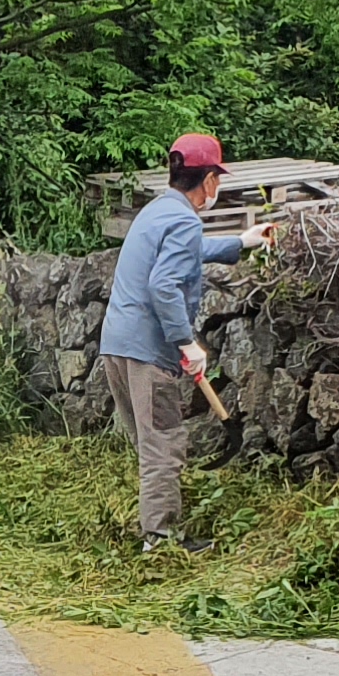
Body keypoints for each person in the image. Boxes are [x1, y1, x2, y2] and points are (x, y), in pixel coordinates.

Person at [99, 130, 272, 552]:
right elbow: (164, 283)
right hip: (149, 351)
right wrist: (186, 342)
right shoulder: (183, 219)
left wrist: (240, 243)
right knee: (163, 447)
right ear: (210, 180)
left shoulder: (158, 211)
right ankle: (159, 543)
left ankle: (155, 528)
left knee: (149, 444)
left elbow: (182, 251)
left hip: (117, 345)